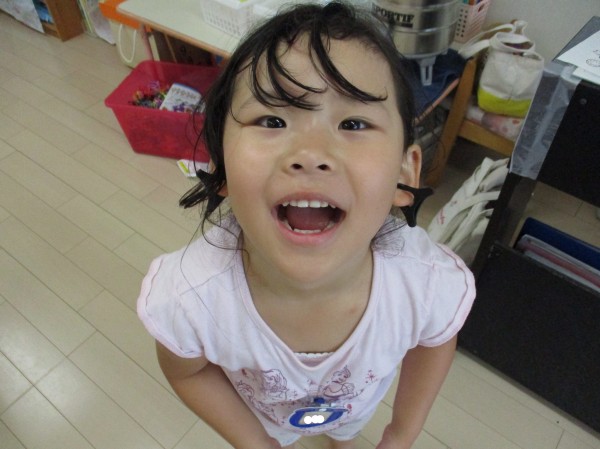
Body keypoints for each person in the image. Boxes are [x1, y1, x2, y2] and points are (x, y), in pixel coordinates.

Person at [137, 2, 475, 449]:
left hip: (354, 409)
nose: (311, 153)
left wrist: (399, 435)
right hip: (268, 423)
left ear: (405, 173)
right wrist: (258, 443)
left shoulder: (424, 281)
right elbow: (187, 372)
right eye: (272, 120)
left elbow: (436, 339)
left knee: (345, 436)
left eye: (353, 123)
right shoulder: (191, 298)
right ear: (221, 169)